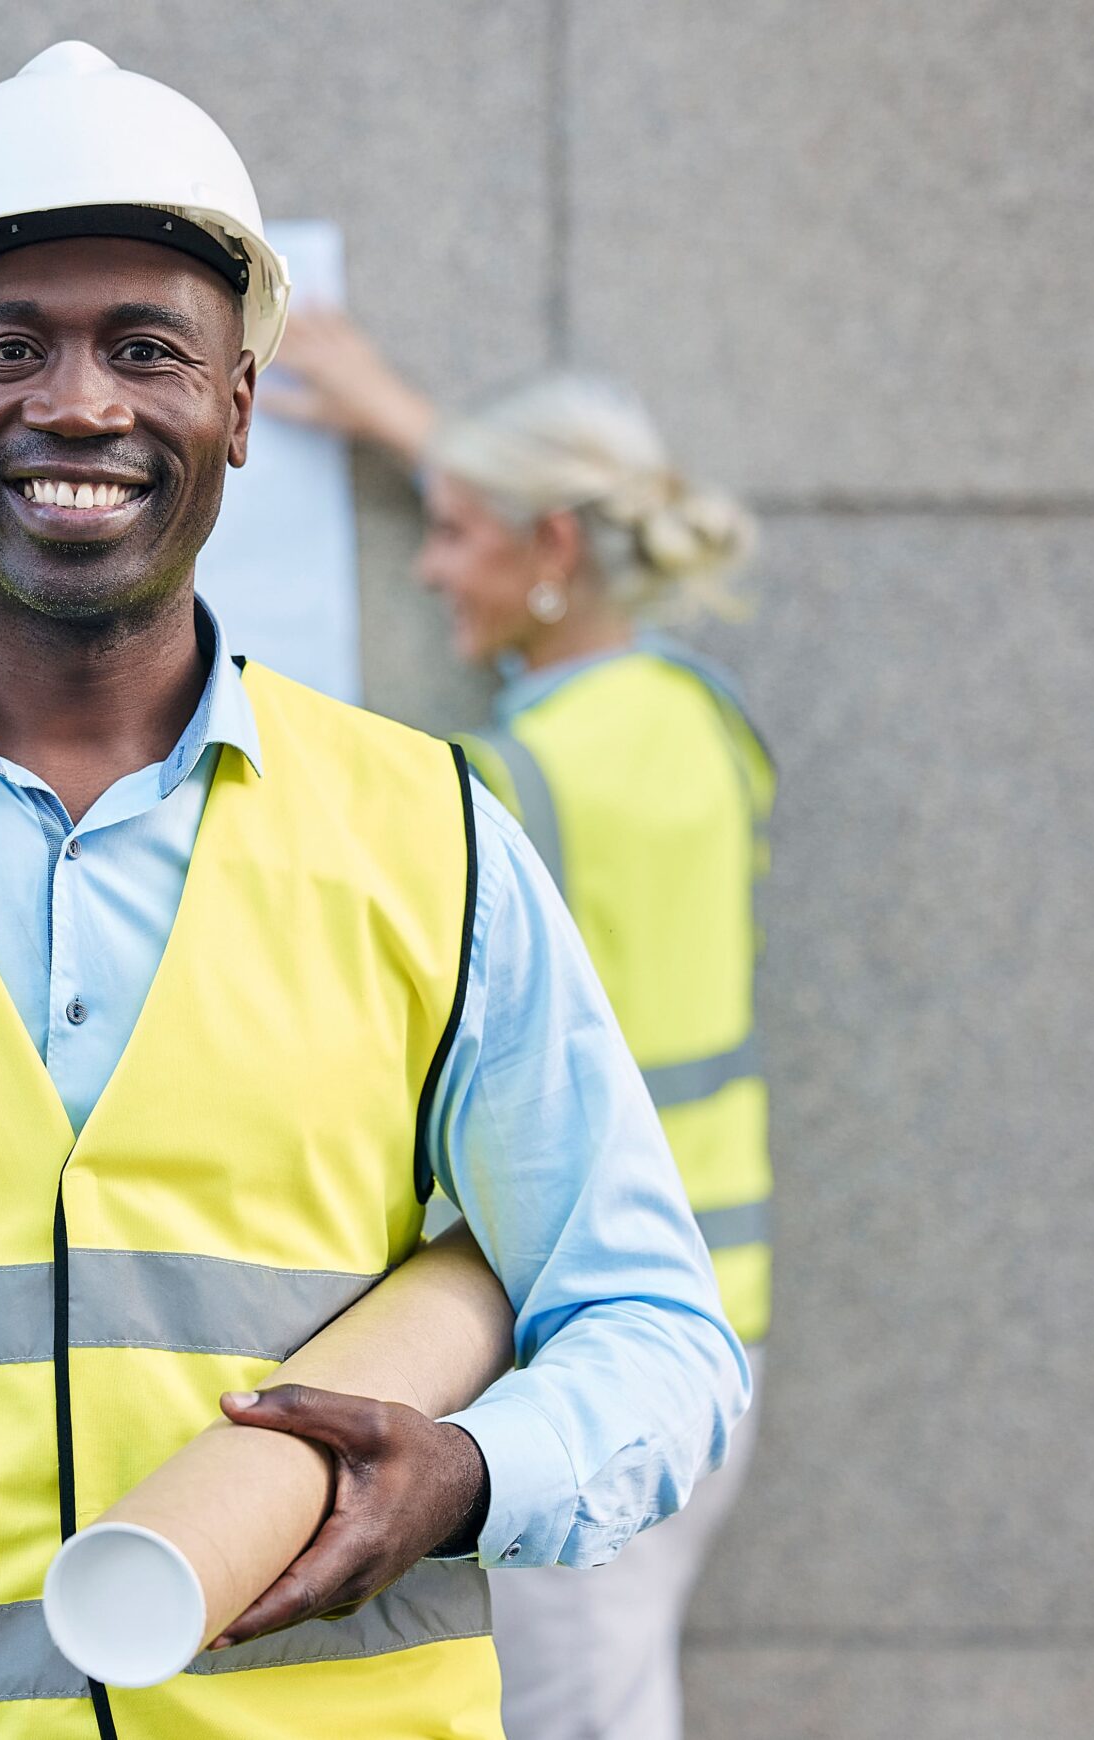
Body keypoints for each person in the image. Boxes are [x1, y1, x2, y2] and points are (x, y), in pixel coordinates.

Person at [0, 41, 748, 1740]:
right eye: (8, 347)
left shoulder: (430, 834)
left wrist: (473, 1471)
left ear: (238, 405)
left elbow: (655, 1325)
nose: (77, 404)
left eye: (147, 349)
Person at [267, 307, 774, 1739]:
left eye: (453, 531)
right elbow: (567, 567)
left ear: (551, 546)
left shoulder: (501, 791)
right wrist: (416, 428)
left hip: (580, 1332)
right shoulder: (703, 721)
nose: (431, 566)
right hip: (713, 1321)